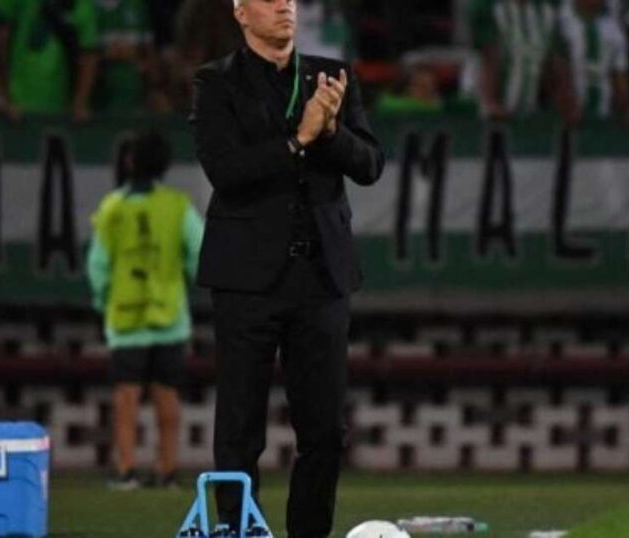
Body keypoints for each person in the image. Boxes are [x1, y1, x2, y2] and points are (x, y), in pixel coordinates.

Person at [188, 0, 384, 534]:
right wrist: (298, 139)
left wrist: (330, 133)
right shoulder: (215, 83)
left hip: (322, 277)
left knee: (324, 430)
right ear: (240, 12)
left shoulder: (333, 76)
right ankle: (236, 531)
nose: (284, 6)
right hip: (246, 279)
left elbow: (370, 164)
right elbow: (227, 171)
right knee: (240, 427)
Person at [86, 130, 205, 490]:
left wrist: (103, 301)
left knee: (126, 397)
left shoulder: (112, 207)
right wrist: (185, 283)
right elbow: (199, 252)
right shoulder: (178, 206)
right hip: (170, 317)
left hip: (126, 319)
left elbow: (98, 265)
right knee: (167, 395)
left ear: (129, 161)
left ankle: (125, 470)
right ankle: (166, 471)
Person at [0, 0, 99, 121]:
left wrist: (79, 102)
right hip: (16, 106)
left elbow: (89, 56)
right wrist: (3, 98)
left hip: (61, 109)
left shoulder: (81, 6)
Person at [469, 0, 578, 121]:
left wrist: (567, 105)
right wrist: (490, 103)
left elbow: (556, 64)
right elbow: (488, 58)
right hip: (486, 115)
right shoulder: (491, 8)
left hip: (527, 113)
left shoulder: (546, 11)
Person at [559, 0, 629, 125]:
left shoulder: (614, 29)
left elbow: (620, 74)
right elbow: (555, 69)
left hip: (603, 115)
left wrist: (628, 108)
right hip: (564, 115)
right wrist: (567, 104)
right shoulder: (561, 20)